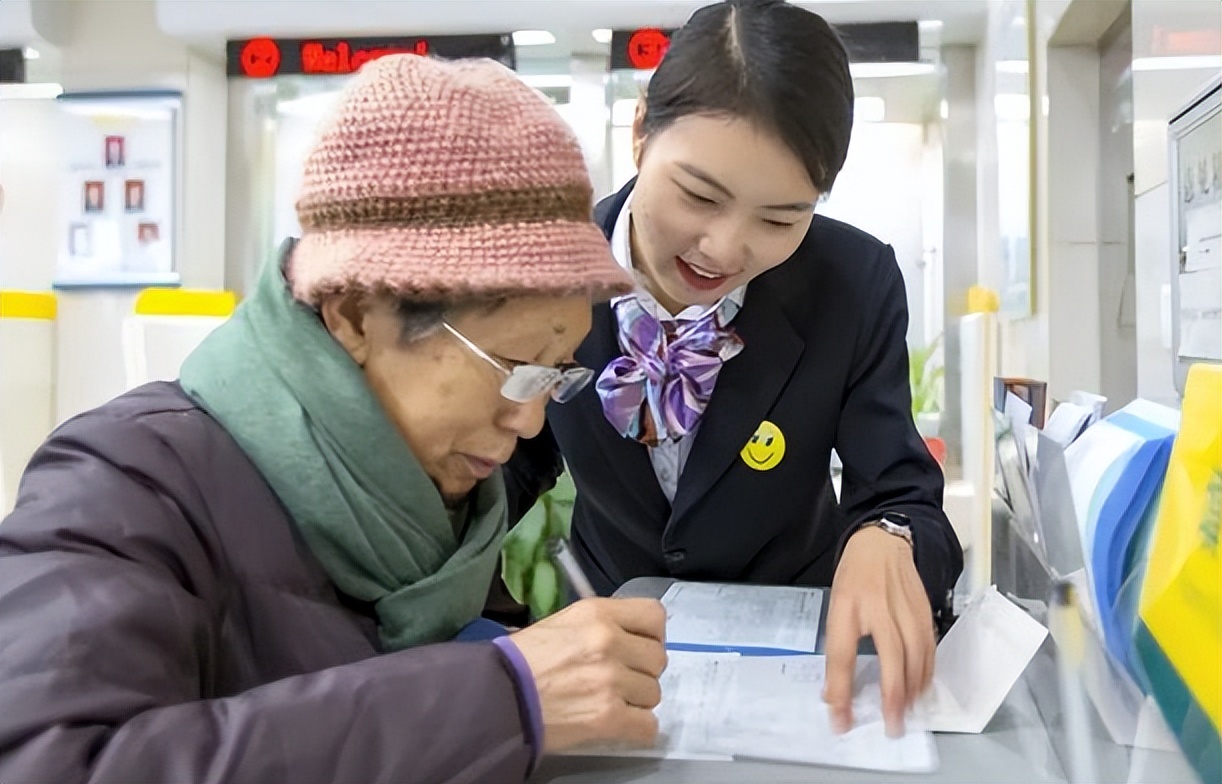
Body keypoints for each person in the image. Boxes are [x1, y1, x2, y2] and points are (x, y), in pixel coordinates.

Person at [0, 55, 667, 783]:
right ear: (353, 314)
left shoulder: (435, 486)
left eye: (556, 372)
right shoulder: (123, 483)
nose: (530, 422)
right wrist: (496, 697)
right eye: (513, 368)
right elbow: (50, 760)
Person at [505, 0, 963, 738]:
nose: (722, 249)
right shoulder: (553, 267)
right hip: (606, 642)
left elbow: (901, 490)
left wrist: (891, 536)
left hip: (800, 665)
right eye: (698, 195)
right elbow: (505, 464)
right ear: (640, 132)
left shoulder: (853, 281)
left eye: (780, 219)